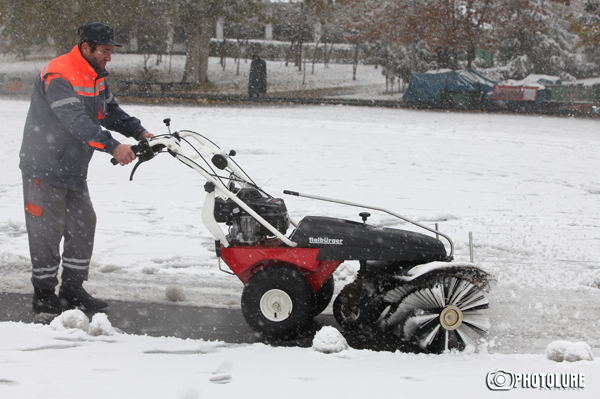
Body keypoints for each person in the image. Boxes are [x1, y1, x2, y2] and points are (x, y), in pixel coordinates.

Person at [19, 22, 154, 314]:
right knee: (46, 231)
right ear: (86, 48)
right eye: (104, 51)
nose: (109, 57)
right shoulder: (58, 74)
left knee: (83, 225)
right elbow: (76, 121)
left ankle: (71, 289)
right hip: (44, 166)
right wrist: (113, 146)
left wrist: (140, 132)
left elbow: (110, 112)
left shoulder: (95, 76)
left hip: (72, 167)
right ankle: (43, 293)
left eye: (109, 51)